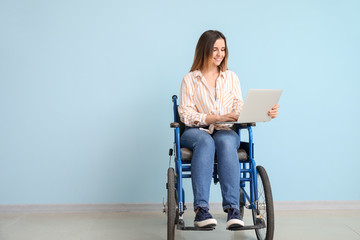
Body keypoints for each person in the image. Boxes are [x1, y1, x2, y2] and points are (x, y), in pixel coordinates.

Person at [178, 30, 279, 229]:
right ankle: (201, 210)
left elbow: (239, 108)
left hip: (225, 130)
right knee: (206, 141)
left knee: (224, 141)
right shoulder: (190, 79)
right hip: (196, 131)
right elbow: (187, 115)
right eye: (214, 49)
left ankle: (233, 209)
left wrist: (266, 111)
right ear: (204, 50)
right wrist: (217, 117)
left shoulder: (231, 78)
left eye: (223, 49)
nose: (219, 54)